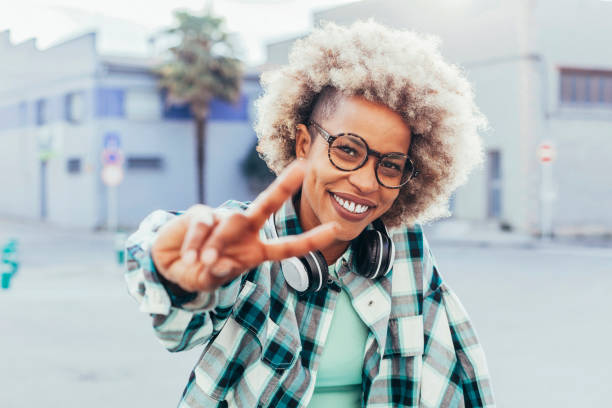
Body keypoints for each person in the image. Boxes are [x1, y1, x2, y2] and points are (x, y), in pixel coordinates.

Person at [125, 20, 495, 408]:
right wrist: (175, 275)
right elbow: (177, 329)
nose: (367, 182)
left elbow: (459, 373)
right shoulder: (246, 241)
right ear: (304, 143)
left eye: (390, 164)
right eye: (348, 150)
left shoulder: (406, 251)